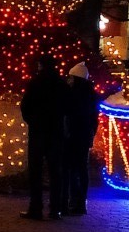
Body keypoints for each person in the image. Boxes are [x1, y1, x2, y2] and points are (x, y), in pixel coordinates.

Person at [20, 54, 69, 220]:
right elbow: (67, 108)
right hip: (55, 131)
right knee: (56, 172)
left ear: (41, 65)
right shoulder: (62, 84)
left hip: (38, 131)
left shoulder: (35, 83)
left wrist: (32, 121)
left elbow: (25, 106)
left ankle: (36, 208)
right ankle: (55, 209)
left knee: (36, 171)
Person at [63, 62, 100, 216]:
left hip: (73, 136)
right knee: (81, 168)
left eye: (71, 77)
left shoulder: (73, 95)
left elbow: (69, 115)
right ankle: (81, 201)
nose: (68, 80)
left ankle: (73, 201)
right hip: (84, 136)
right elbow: (94, 119)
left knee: (72, 169)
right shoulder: (91, 95)